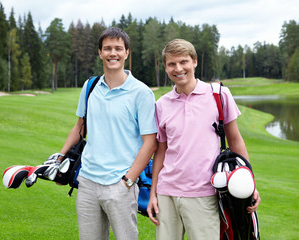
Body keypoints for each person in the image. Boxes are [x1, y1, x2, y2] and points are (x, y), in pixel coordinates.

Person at [147, 39, 261, 240]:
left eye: (184, 62)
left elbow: (235, 141)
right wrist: (153, 192)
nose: (178, 68)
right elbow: (161, 151)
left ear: (195, 62)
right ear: (165, 67)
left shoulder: (219, 94)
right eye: (171, 64)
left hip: (204, 192)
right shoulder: (161, 104)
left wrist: (249, 183)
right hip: (167, 193)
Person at [57, 27, 157, 240]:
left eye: (118, 49)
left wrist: (128, 181)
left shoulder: (142, 93)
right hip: (87, 182)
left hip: (120, 184)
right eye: (108, 48)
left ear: (127, 53)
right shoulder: (90, 85)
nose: (113, 53)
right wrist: (60, 158)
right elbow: (79, 127)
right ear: (100, 52)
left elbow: (150, 143)